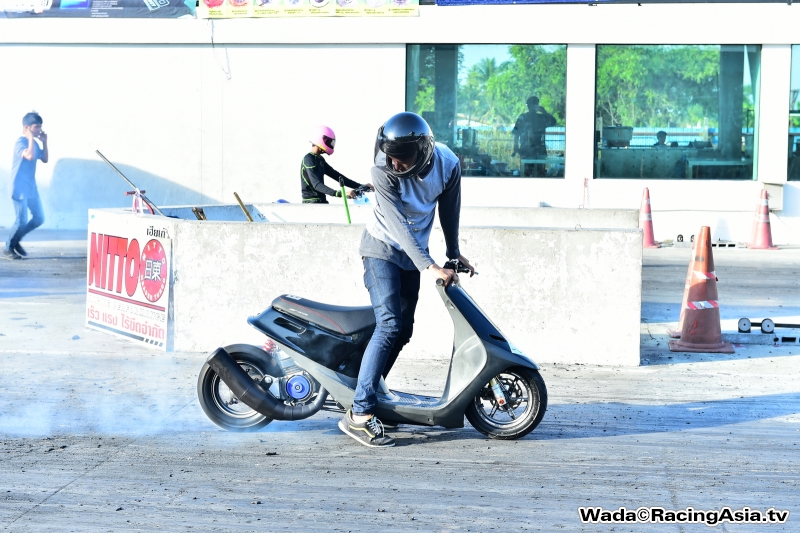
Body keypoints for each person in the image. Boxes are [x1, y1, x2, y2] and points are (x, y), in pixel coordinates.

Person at [337, 112, 475, 448]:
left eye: (402, 160)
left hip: (413, 255)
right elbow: (399, 226)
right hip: (381, 249)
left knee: (403, 330)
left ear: (423, 151)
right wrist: (430, 266)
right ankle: (360, 414)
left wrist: (453, 253)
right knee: (388, 325)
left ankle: (370, 392)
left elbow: (450, 208)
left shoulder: (448, 164)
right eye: (391, 158)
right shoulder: (381, 169)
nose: (395, 165)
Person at [4, 112, 48, 260]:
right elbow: (29, 156)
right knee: (21, 220)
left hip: (30, 188)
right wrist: (30, 138)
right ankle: (8, 247)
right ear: (27, 127)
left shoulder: (34, 142)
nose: (39, 130)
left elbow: (45, 159)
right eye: (36, 127)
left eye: (40, 127)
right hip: (19, 187)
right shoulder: (21, 142)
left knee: (39, 218)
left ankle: (16, 240)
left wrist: (44, 142)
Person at [300, 125, 372, 203]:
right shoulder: (309, 159)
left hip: (321, 202)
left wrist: (360, 186)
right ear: (321, 140)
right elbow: (317, 185)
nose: (331, 144)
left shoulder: (319, 159)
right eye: (329, 141)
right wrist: (340, 193)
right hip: (311, 203)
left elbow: (337, 176)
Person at [511, 96, 556, 177]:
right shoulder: (522, 118)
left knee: (540, 175)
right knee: (525, 174)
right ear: (527, 105)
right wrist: (515, 147)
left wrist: (544, 112)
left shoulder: (542, 118)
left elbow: (553, 121)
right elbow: (516, 133)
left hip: (539, 151)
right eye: (530, 104)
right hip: (526, 151)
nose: (531, 106)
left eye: (534, 104)